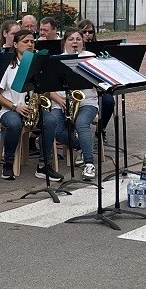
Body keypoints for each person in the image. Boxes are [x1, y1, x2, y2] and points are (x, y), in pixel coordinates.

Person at [0, 28, 37, 181]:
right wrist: (15, 107)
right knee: (14, 123)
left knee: (50, 121)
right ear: (16, 45)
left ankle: (45, 164)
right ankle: (8, 163)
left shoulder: (37, 64)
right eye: (25, 42)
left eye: (32, 41)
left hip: (31, 109)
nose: (30, 44)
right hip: (9, 109)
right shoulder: (7, 65)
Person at [57, 29, 98, 181]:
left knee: (81, 124)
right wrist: (60, 100)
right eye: (71, 39)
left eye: (78, 39)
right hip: (62, 102)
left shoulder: (90, 58)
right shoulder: (57, 60)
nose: (75, 42)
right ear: (64, 42)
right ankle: (80, 146)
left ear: (83, 42)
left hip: (87, 101)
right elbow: (49, 88)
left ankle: (89, 163)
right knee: (56, 130)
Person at [78, 18, 115, 133]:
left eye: (90, 32)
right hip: (82, 87)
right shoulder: (74, 48)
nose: (87, 35)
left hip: (99, 85)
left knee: (109, 101)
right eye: (84, 32)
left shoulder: (100, 49)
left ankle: (101, 129)